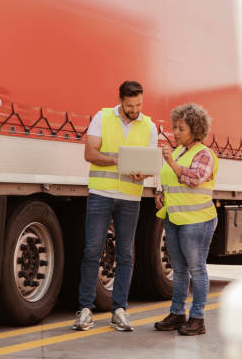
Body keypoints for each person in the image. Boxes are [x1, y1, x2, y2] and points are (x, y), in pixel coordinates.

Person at [73, 80, 158, 332]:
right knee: (92, 251)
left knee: (126, 255)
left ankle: (119, 310)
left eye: (139, 104)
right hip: (101, 193)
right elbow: (90, 153)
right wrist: (119, 161)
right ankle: (85, 310)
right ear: (121, 101)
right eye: (131, 105)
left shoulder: (149, 125)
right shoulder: (103, 117)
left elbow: (150, 162)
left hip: (131, 197)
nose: (135, 110)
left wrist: (145, 173)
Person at [153, 103, 219, 336]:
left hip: (197, 221)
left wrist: (171, 162)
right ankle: (177, 313)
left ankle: (198, 318)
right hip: (175, 218)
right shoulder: (180, 152)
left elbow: (194, 179)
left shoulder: (204, 154)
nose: (175, 132)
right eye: (174, 128)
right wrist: (161, 194)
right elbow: (172, 181)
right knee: (179, 270)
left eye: (181, 128)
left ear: (195, 129)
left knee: (196, 269)